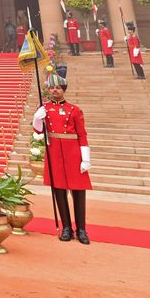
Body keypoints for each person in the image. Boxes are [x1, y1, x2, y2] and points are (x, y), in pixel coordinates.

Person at [32, 72, 92, 244]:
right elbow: (38, 131)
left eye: (58, 87)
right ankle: (66, 227)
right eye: (52, 88)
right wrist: (37, 119)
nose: (55, 90)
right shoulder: (45, 109)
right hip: (55, 152)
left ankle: (81, 229)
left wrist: (85, 158)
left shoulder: (74, 110)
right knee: (58, 190)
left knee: (78, 191)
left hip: (72, 152)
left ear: (63, 89)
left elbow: (82, 134)